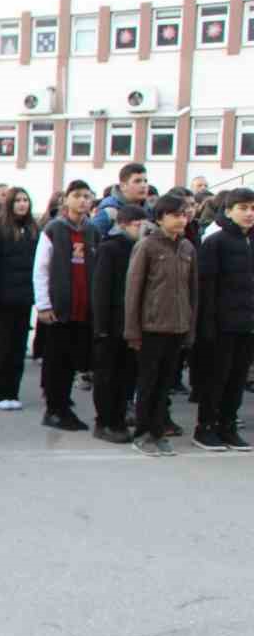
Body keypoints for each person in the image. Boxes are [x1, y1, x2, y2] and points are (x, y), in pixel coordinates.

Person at [125, 194, 198, 457]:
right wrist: (132, 330)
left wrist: (190, 327)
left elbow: (193, 292)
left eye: (184, 214)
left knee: (165, 383)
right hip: (151, 327)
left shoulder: (187, 247)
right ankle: (143, 432)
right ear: (160, 218)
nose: (181, 219)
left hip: (177, 327)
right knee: (149, 382)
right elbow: (133, 291)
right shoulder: (147, 246)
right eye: (175, 215)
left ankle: (157, 431)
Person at [33, 180, 99, 431]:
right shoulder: (54, 229)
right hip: (60, 308)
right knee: (56, 360)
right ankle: (54, 408)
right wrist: (43, 304)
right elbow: (41, 269)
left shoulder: (93, 231)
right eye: (77, 195)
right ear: (66, 200)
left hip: (84, 308)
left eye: (87, 196)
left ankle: (64, 404)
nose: (83, 201)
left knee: (73, 359)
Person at [193, 188, 254, 452]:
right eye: (243, 208)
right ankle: (206, 427)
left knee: (238, 378)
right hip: (221, 324)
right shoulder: (215, 242)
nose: (249, 213)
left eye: (252, 208)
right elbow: (206, 288)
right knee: (216, 378)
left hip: (247, 323)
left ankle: (228, 426)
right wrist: (207, 324)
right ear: (228, 211)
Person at [89, 205, 147, 443]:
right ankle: (105, 422)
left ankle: (119, 419)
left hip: (132, 324)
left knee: (126, 375)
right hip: (111, 324)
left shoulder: (140, 248)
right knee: (107, 376)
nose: (143, 229)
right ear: (123, 224)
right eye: (137, 224)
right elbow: (101, 290)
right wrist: (101, 327)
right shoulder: (110, 248)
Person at [0, 188, 38, 410]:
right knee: (2, 349)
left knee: (18, 349)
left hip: (23, 300)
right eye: (18, 200)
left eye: (26, 200)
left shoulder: (33, 230)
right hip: (3, 301)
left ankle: (13, 391)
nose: (22, 204)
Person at [93, 163, 150, 236]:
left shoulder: (150, 211)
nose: (143, 185)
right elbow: (93, 240)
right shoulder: (109, 212)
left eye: (145, 181)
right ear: (123, 186)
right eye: (137, 181)